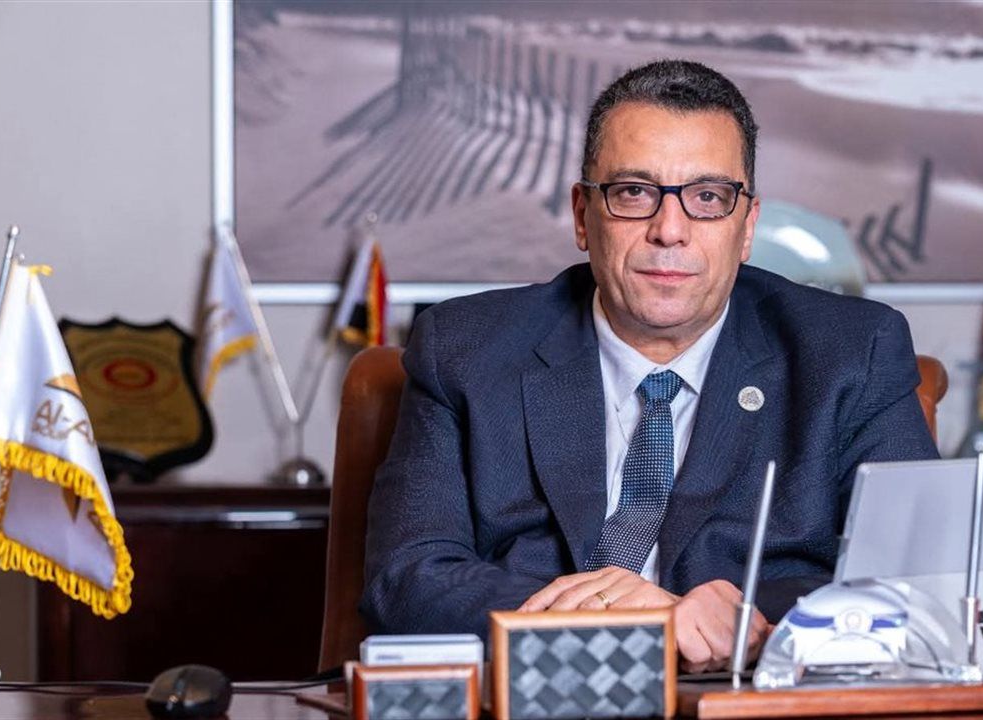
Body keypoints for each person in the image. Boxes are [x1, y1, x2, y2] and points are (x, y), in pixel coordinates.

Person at [361, 59, 939, 672]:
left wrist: (748, 620)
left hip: (741, 697)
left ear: (746, 227)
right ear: (583, 216)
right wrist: (627, 621)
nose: (670, 231)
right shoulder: (466, 349)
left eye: (708, 198)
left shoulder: (852, 353)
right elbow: (406, 578)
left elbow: (916, 582)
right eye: (634, 192)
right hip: (536, 696)